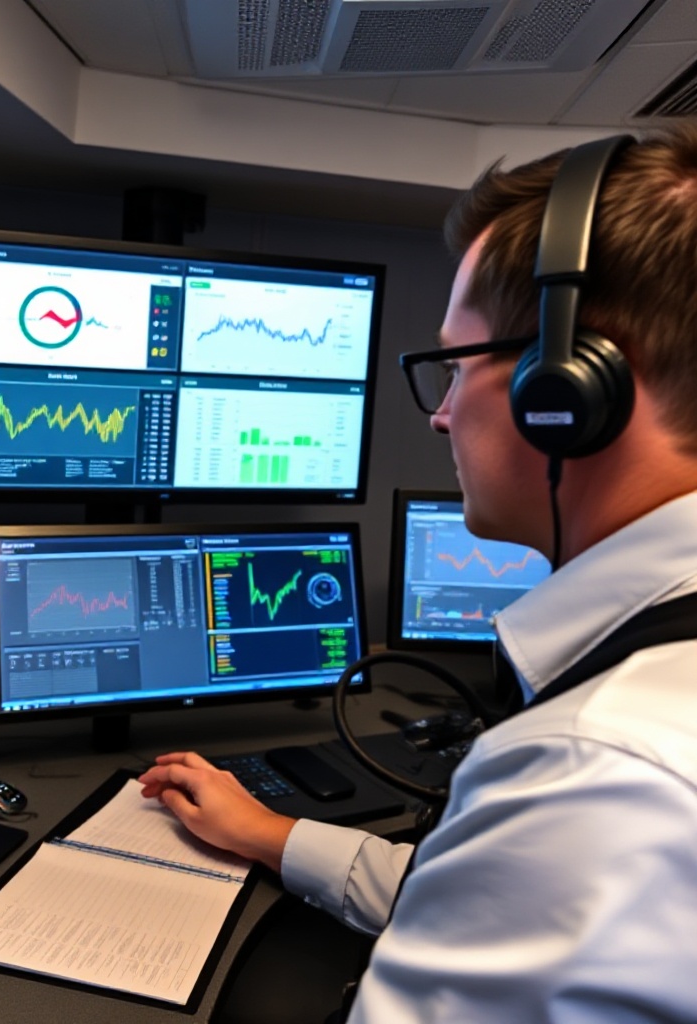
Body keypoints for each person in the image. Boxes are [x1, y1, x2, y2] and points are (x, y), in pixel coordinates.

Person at [139, 121, 697, 1022]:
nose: (439, 417)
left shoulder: (598, 772)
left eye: (454, 365)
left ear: (568, 390)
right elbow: (496, 902)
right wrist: (273, 835)